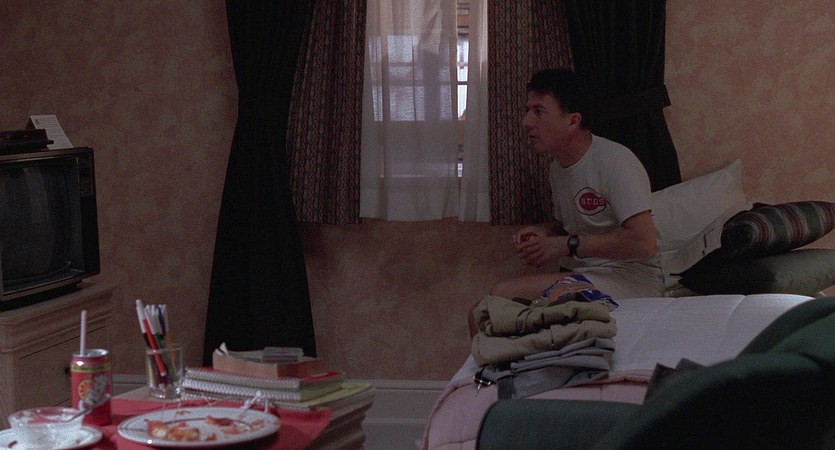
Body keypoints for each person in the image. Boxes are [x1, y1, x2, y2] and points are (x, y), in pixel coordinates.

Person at [469, 68, 663, 336]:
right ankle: (506, 364)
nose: (526, 122)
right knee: (479, 313)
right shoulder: (557, 168)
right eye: (527, 111)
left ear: (572, 121)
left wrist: (567, 245)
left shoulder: (616, 161)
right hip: (589, 274)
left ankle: (501, 364)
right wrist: (546, 233)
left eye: (539, 111)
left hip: (632, 280)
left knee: (500, 297)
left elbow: (644, 243)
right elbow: (572, 225)